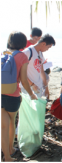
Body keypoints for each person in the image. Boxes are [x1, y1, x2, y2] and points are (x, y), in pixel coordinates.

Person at [2, 31, 38, 162]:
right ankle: (11, 150)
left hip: (0, 93)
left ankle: (6, 156)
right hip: (12, 95)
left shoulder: (3, 54)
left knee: (3, 127)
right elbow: (23, 80)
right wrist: (31, 94)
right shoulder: (22, 56)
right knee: (12, 123)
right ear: (22, 43)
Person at [20, 34, 56, 98]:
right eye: (48, 47)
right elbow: (20, 72)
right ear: (43, 44)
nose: (47, 49)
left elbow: (41, 71)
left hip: (38, 87)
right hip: (27, 88)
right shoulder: (28, 52)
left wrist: (46, 88)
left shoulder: (40, 53)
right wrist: (32, 85)